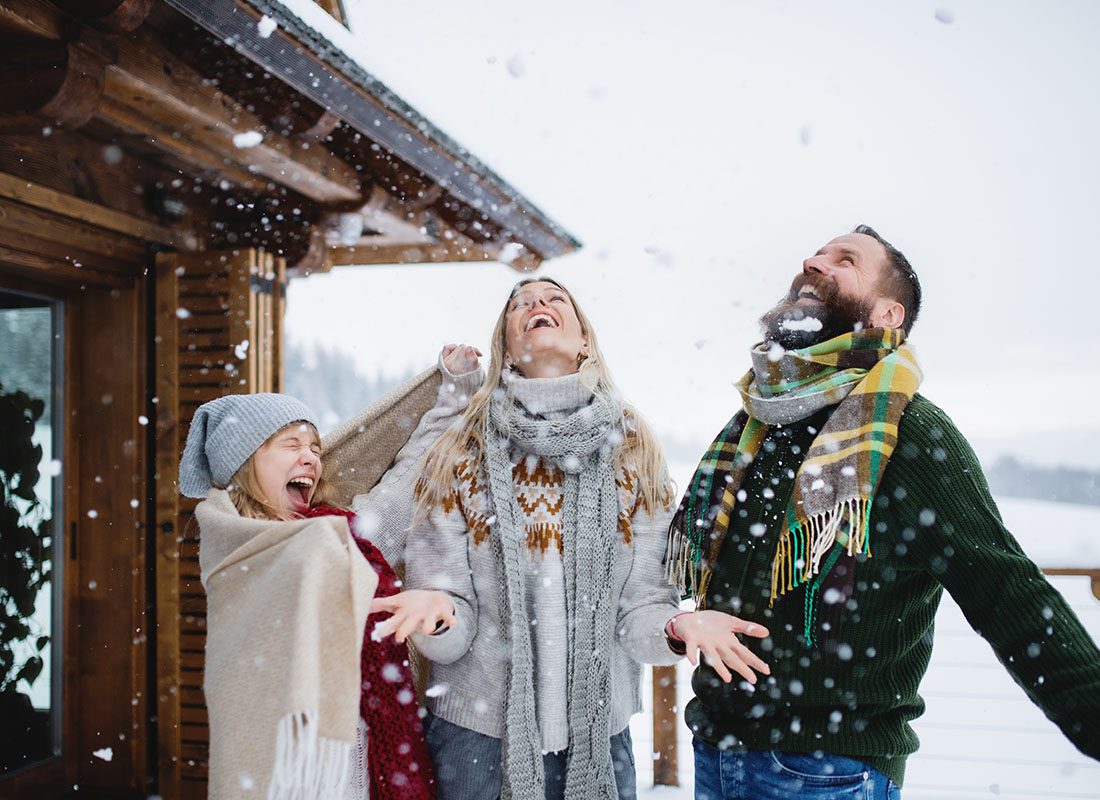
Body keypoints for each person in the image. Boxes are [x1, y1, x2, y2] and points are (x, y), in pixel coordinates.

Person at [667, 225, 1100, 799]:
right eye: (816, 253)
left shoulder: (907, 432)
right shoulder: (757, 425)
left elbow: (1005, 589)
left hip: (828, 774)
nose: (813, 262)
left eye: (844, 260)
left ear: (887, 314)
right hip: (717, 754)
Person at [402, 278, 770, 800]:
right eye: (520, 304)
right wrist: (437, 611)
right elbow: (451, 624)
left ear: (584, 342)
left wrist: (677, 624)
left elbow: (641, 607)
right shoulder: (458, 451)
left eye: (555, 299)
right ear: (505, 348)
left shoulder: (634, 449)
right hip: (476, 741)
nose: (537, 304)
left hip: (598, 737)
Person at [179, 345, 482, 800]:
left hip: (370, 741)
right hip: (293, 765)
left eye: (316, 448)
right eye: (291, 444)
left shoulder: (339, 532)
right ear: (244, 463)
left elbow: (409, 480)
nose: (311, 458)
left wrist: (455, 392)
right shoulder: (237, 549)